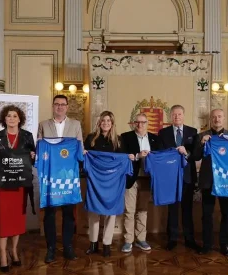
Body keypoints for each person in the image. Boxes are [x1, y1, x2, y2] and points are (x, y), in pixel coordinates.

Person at [0, 105, 36, 272]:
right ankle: (2, 255)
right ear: (4, 119)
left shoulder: (28, 136)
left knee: (17, 220)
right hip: (2, 185)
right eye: (8, 116)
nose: (11, 119)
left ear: (19, 119)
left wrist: (33, 156)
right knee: (4, 219)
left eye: (14, 116)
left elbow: (32, 160)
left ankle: (14, 251)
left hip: (20, 185)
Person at [37, 94, 83, 263]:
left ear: (67, 106)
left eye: (63, 104)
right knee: (49, 213)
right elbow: (40, 149)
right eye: (57, 104)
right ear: (53, 106)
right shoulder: (43, 125)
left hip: (68, 176)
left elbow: (80, 149)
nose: (60, 107)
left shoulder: (76, 125)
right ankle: (51, 249)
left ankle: (68, 247)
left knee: (69, 213)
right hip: (50, 177)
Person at [83, 111, 134, 257]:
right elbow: (84, 158)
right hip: (95, 181)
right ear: (99, 122)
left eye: (108, 120)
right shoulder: (91, 138)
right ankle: (93, 244)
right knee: (93, 212)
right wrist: (84, 153)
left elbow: (123, 158)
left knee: (110, 213)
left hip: (113, 181)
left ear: (112, 123)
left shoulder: (118, 140)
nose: (105, 123)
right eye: (103, 120)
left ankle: (106, 244)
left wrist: (128, 157)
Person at [191, 108, 228, 256]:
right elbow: (195, 157)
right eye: (214, 117)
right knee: (206, 214)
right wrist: (202, 144)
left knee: (226, 214)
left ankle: (224, 244)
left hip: (226, 181)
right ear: (210, 120)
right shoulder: (202, 136)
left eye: (219, 117)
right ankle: (207, 244)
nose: (217, 119)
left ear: (224, 118)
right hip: (208, 180)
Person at [158, 105, 199, 251]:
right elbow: (161, 153)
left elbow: (195, 155)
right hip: (171, 177)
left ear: (184, 115)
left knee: (187, 209)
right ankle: (172, 239)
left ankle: (189, 239)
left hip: (187, 176)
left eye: (179, 114)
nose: (177, 117)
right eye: (174, 114)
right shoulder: (163, 133)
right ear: (171, 116)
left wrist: (186, 153)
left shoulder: (193, 132)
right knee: (172, 209)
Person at [120, 113, 161, 253]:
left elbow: (160, 157)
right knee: (129, 210)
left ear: (147, 123)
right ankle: (128, 241)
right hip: (131, 178)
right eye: (137, 122)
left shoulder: (155, 139)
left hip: (147, 178)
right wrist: (137, 156)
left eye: (143, 122)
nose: (140, 125)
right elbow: (122, 157)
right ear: (133, 124)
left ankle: (141, 239)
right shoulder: (125, 137)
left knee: (143, 210)